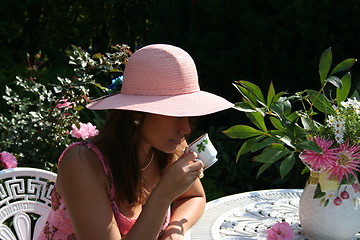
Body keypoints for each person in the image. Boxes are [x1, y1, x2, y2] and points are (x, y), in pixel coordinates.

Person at [37, 44, 233, 240]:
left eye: (189, 116)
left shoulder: (168, 148)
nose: (186, 129)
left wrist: (173, 232)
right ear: (137, 113)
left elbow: (194, 197)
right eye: (176, 115)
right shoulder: (82, 164)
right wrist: (163, 194)